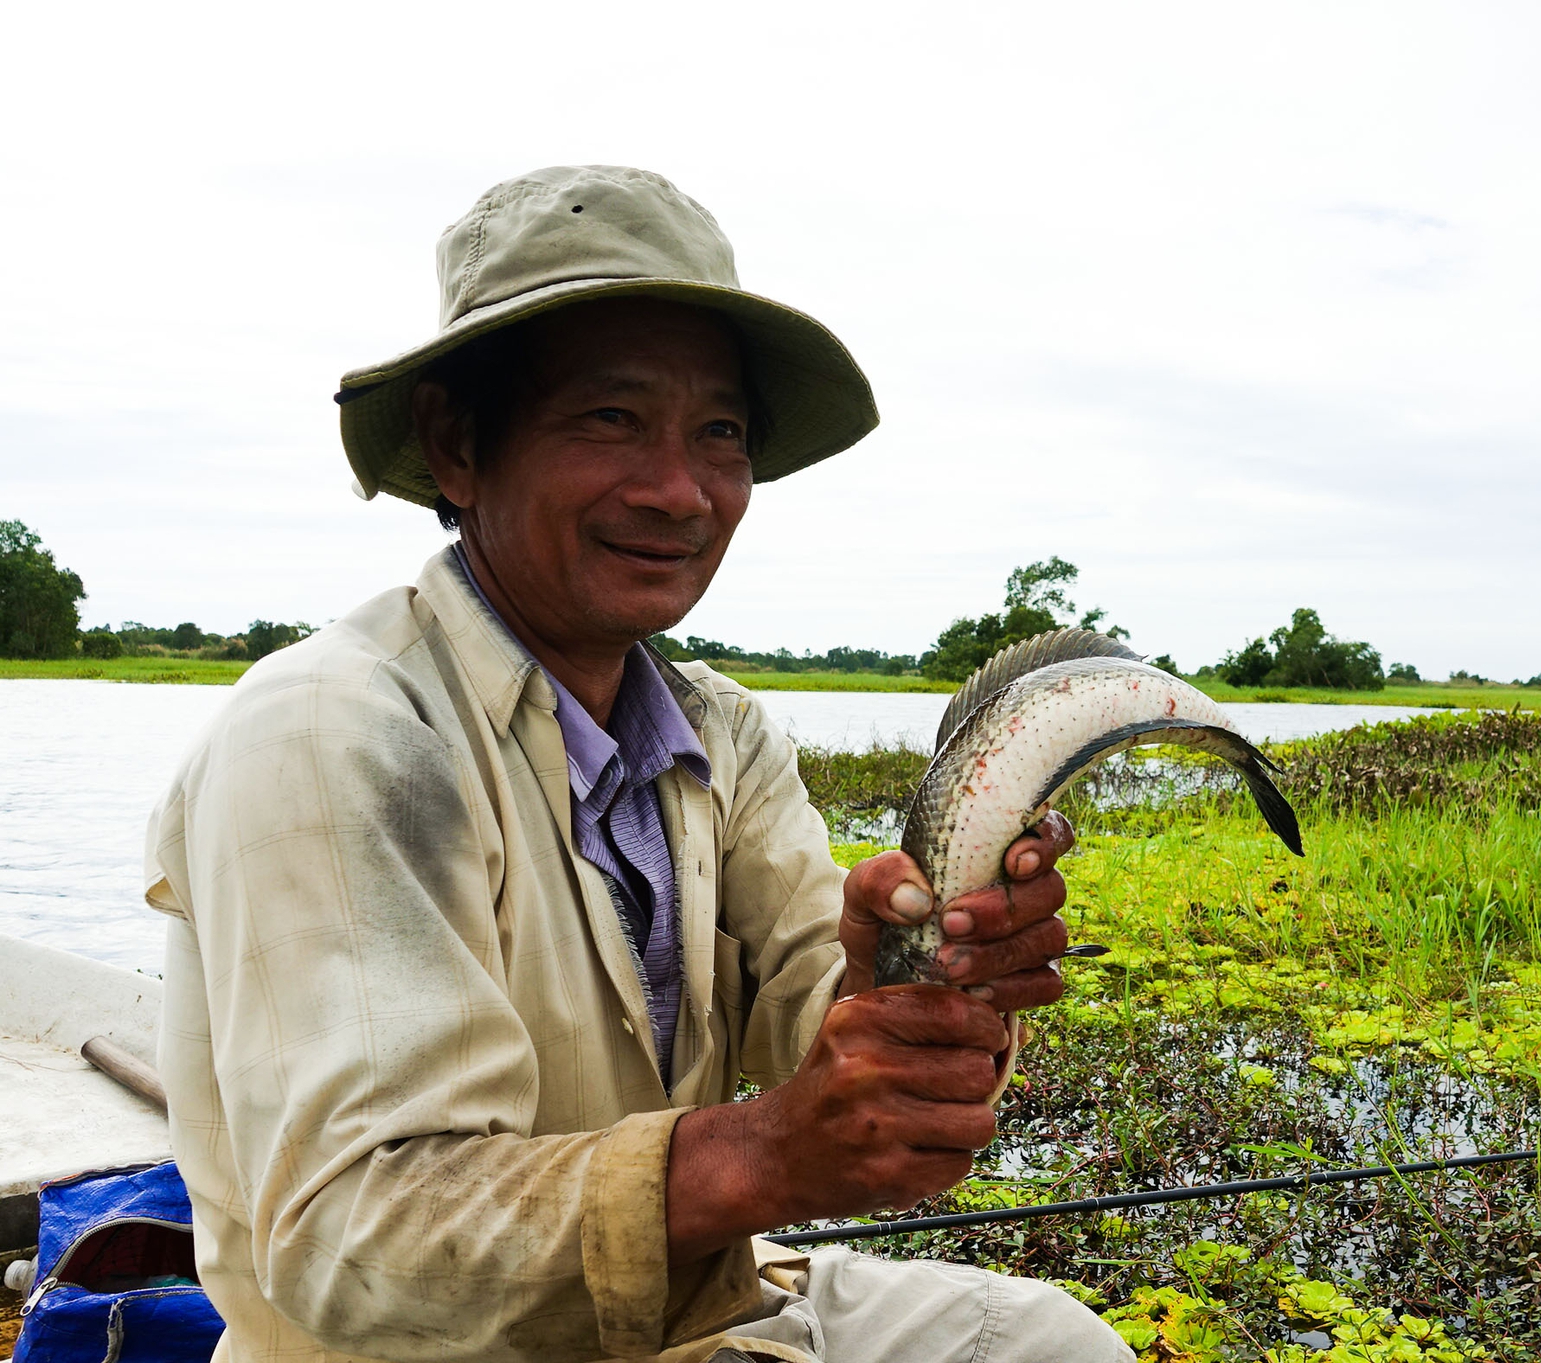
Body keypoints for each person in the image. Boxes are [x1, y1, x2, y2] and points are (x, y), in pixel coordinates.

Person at [144, 165, 1132, 1363]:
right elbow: (363, 1237)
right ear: (458, 445)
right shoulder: (335, 730)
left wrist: (921, 984)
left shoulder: (718, 731)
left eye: (717, 432)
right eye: (609, 418)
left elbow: (817, 1007)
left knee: (1049, 1341)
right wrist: (761, 1151)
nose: (678, 490)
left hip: (693, 1314)